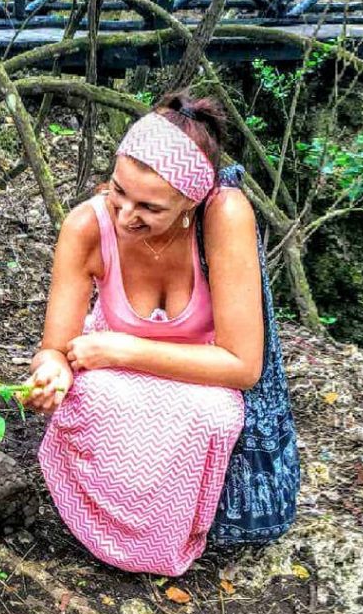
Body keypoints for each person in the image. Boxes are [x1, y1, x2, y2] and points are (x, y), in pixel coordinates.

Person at [28, 93, 263, 576]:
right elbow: (55, 346)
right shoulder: (86, 225)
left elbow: (242, 366)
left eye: (149, 207)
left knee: (214, 413)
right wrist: (50, 372)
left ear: (191, 202)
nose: (124, 215)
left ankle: (162, 541)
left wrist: (126, 350)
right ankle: (99, 527)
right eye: (118, 191)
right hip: (111, 366)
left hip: (193, 369)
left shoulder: (224, 215)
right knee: (88, 393)